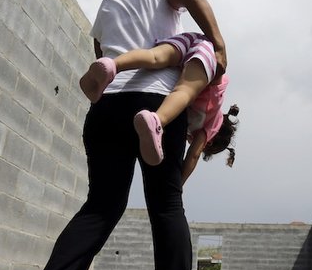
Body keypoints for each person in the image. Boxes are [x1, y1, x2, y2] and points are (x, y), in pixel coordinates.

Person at [15, 0, 226, 270]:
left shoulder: (107, 7)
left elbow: (100, 52)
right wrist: (218, 44)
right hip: (156, 101)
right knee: (166, 205)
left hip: (108, 105)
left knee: (100, 206)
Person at [79, 32, 239, 184]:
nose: (191, 141)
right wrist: (178, 185)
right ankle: (157, 120)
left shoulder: (208, 112)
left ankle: (113, 65)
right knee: (183, 92)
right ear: (210, 143)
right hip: (206, 57)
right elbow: (193, 156)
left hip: (192, 40)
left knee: (154, 57)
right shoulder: (211, 126)